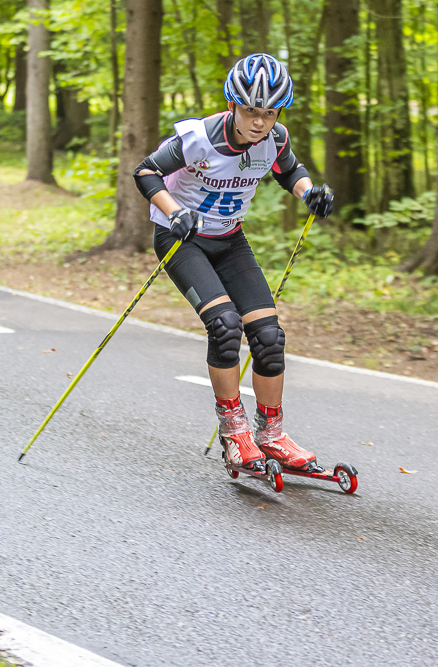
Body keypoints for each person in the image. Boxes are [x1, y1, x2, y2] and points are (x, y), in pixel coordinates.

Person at [133, 54, 334, 474]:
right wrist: (173, 211)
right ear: (232, 105)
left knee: (269, 337)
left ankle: (271, 435)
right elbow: (146, 172)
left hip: (229, 240)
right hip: (182, 238)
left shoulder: (275, 138)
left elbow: (288, 169)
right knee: (225, 326)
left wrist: (308, 192)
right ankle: (234, 431)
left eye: (268, 112)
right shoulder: (199, 138)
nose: (259, 122)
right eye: (250, 111)